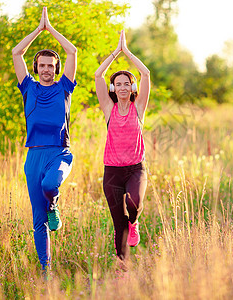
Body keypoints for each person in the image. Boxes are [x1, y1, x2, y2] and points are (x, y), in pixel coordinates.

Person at [12, 7, 77, 273]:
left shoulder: (65, 87)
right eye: (43, 65)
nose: (47, 69)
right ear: (37, 68)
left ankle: (54, 204)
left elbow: (73, 52)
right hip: (33, 157)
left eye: (51, 65)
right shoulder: (28, 87)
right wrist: (37, 31)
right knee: (38, 221)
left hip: (59, 153)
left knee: (51, 184)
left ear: (56, 68)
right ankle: (45, 271)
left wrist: (51, 29)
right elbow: (17, 53)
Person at [94, 30, 150, 267]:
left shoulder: (139, 108)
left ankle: (134, 222)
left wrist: (127, 52)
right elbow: (98, 74)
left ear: (132, 86)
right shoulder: (109, 109)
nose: (123, 87)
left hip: (136, 169)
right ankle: (122, 267)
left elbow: (146, 73)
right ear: (113, 88)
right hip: (112, 172)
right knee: (118, 222)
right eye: (118, 84)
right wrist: (115, 53)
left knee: (134, 202)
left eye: (127, 83)